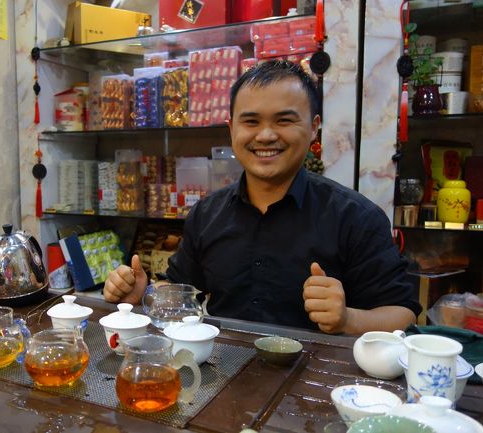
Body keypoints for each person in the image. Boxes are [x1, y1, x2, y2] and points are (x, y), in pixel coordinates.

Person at [104, 60, 421, 335]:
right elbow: (179, 289)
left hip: (318, 385)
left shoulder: (355, 217)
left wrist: (347, 319)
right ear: (231, 130)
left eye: (284, 120)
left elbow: (402, 314)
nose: (266, 135)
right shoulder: (207, 214)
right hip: (224, 375)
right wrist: (143, 293)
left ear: (313, 129)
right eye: (251, 121)